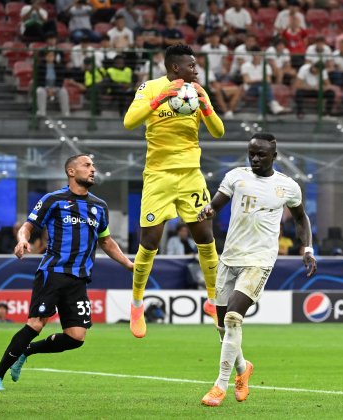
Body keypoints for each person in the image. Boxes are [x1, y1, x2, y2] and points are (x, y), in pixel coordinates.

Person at [0, 154, 133, 391]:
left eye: (93, 166)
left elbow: (106, 242)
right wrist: (23, 240)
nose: (93, 169)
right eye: (87, 165)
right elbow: (28, 225)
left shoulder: (99, 206)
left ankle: (27, 351)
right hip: (52, 273)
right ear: (71, 172)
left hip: (79, 279)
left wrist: (129, 264)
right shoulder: (53, 199)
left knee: (76, 337)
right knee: (36, 324)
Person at [198, 132, 317, 407]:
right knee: (220, 326)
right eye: (251, 153)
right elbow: (216, 204)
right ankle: (243, 369)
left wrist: (308, 249)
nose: (255, 158)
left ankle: (219, 385)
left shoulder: (287, 186)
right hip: (229, 258)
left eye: (261, 154)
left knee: (232, 320)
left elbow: (301, 218)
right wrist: (207, 211)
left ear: (274, 156)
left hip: (259, 260)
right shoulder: (236, 176)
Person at [123, 44, 224, 338]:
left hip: (191, 175)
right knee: (150, 242)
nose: (196, 70)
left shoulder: (197, 92)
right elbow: (129, 122)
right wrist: (160, 100)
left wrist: (205, 106)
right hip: (158, 176)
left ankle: (212, 299)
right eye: (192, 66)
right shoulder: (150, 87)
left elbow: (218, 131)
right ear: (175, 68)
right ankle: (137, 303)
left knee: (205, 238)